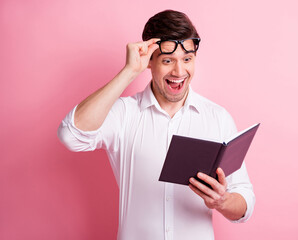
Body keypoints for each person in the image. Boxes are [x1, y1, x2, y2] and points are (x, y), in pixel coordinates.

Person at [58, 9, 255, 240]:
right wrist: (129, 71)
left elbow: (245, 202)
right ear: (150, 61)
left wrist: (222, 201)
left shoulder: (217, 118)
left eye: (187, 59)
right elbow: (71, 136)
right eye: (168, 60)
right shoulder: (125, 114)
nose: (179, 71)